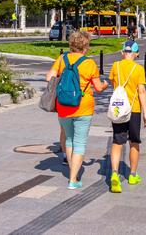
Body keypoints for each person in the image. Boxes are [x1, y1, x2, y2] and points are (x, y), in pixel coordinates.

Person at [46, 30, 108, 190]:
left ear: (71, 44)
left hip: (64, 106)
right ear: (85, 46)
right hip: (83, 107)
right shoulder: (89, 64)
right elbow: (99, 88)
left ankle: (70, 167)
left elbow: (49, 77)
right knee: (79, 142)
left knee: (69, 139)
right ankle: (73, 179)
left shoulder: (62, 59)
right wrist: (106, 85)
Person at [108, 40, 146, 193]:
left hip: (118, 109)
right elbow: (141, 92)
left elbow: (114, 86)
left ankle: (114, 173)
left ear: (122, 52)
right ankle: (132, 174)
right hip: (134, 110)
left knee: (117, 142)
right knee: (134, 142)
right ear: (137, 54)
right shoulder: (138, 69)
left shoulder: (115, 66)